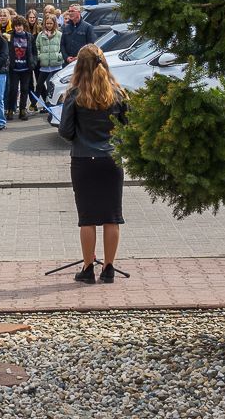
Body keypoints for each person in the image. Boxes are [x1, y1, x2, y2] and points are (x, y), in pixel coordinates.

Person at [58, 44, 129, 285]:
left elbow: (65, 131)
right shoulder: (117, 93)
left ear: (79, 66)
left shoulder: (74, 95)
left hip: (83, 160)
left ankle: (88, 268)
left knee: (87, 218)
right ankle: (108, 268)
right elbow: (128, 126)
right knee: (112, 216)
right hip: (111, 159)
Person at [8, 15, 36, 121]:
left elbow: (34, 52)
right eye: (16, 26)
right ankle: (10, 109)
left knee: (25, 89)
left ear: (23, 26)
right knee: (13, 90)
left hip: (26, 68)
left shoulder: (29, 36)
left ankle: (22, 110)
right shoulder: (10, 36)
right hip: (14, 68)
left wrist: (33, 63)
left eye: (20, 25)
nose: (18, 27)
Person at [35, 15, 65, 109]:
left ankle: (52, 104)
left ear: (54, 24)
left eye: (51, 23)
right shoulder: (40, 35)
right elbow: (37, 47)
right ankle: (34, 103)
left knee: (53, 86)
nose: (49, 25)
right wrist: (40, 56)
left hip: (56, 64)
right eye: (47, 23)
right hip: (44, 65)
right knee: (39, 85)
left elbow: (63, 47)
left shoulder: (59, 35)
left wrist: (59, 56)